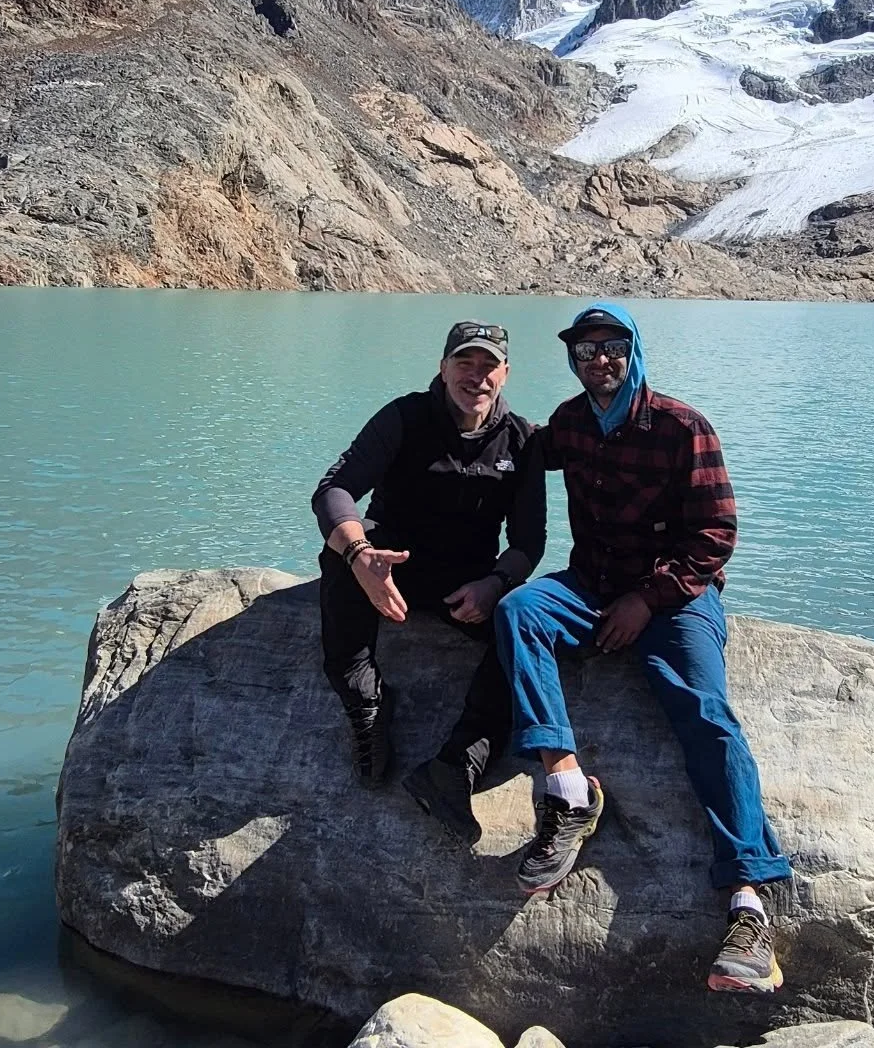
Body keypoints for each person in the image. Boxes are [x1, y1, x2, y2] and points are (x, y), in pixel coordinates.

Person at [493, 303, 794, 994]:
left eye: (612, 346)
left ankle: (750, 900)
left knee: (706, 716)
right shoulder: (570, 424)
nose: (598, 358)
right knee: (520, 613)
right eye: (584, 349)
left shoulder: (683, 427)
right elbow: (506, 451)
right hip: (590, 585)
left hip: (676, 597)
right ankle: (567, 789)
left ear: (634, 351)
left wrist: (647, 599)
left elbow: (716, 532)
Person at [312, 320, 543, 845]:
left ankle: (456, 766)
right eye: (465, 363)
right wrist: (359, 554)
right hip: (388, 566)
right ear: (442, 368)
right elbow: (334, 490)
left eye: (489, 367)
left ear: (505, 375)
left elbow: (529, 540)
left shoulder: (521, 440)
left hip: (466, 584)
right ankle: (364, 696)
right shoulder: (403, 417)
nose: (476, 377)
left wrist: (496, 582)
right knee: (340, 552)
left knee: (527, 631)